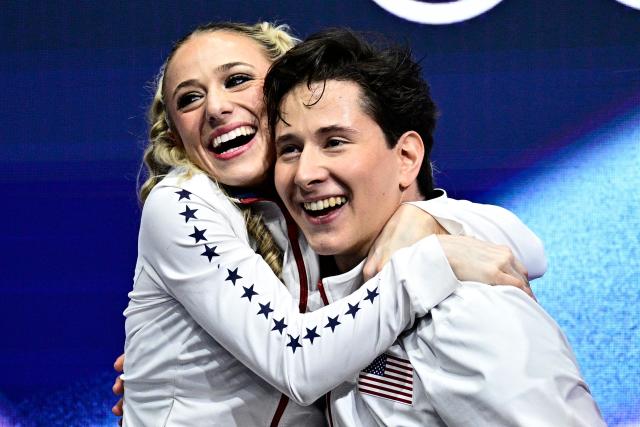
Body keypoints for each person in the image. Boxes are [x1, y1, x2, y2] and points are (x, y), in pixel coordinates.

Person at [116, 22, 547, 426]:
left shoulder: (316, 204)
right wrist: (435, 260)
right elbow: (297, 361)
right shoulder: (182, 202)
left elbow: (529, 250)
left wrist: (424, 221)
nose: (216, 107)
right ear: (174, 136)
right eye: (189, 99)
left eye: (237, 79)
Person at [264, 28, 605, 426]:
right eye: (290, 149)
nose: (304, 174)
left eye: (335, 142)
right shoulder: (309, 293)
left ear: (406, 156)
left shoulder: (465, 308)